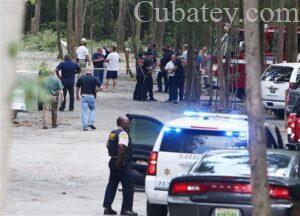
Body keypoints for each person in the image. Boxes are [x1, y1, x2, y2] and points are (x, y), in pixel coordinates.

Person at [103, 116, 138, 216]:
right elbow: (121, 146)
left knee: (112, 184)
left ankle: (107, 208)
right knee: (128, 185)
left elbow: (108, 145)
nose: (129, 125)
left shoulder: (113, 133)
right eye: (127, 123)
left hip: (112, 161)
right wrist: (120, 160)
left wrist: (115, 157)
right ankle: (126, 210)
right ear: (121, 124)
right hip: (121, 162)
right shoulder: (123, 134)